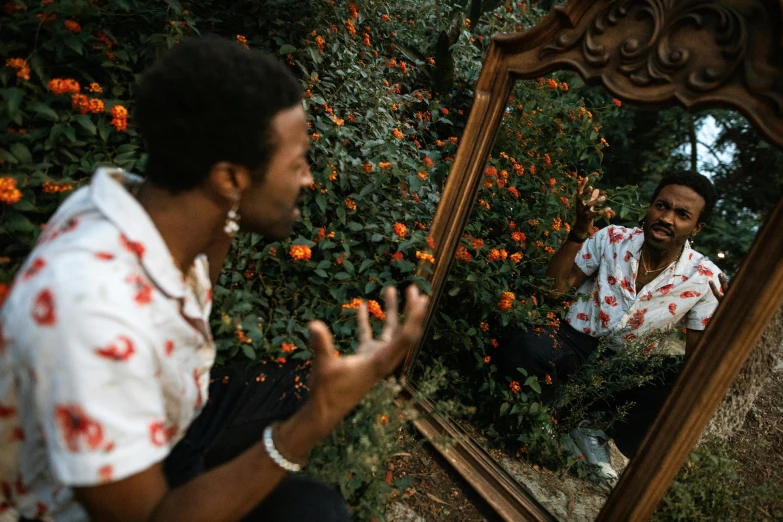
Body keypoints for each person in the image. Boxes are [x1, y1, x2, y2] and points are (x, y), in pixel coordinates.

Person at [0, 36, 428, 521]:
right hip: (76, 507)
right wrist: (316, 417)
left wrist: (229, 215)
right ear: (228, 178)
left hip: (169, 424)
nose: (308, 179)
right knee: (315, 511)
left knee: (296, 389)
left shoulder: (147, 208)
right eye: (297, 162)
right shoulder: (94, 312)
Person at [498, 171, 728, 486]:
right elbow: (553, 291)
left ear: (696, 228)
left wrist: (726, 322)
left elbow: (696, 361)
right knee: (528, 345)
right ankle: (544, 425)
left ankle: (593, 432)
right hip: (571, 346)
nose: (667, 218)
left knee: (679, 378)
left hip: (622, 372)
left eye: (682, 214)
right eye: (662, 206)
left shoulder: (705, 278)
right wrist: (579, 231)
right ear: (650, 207)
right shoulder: (613, 238)